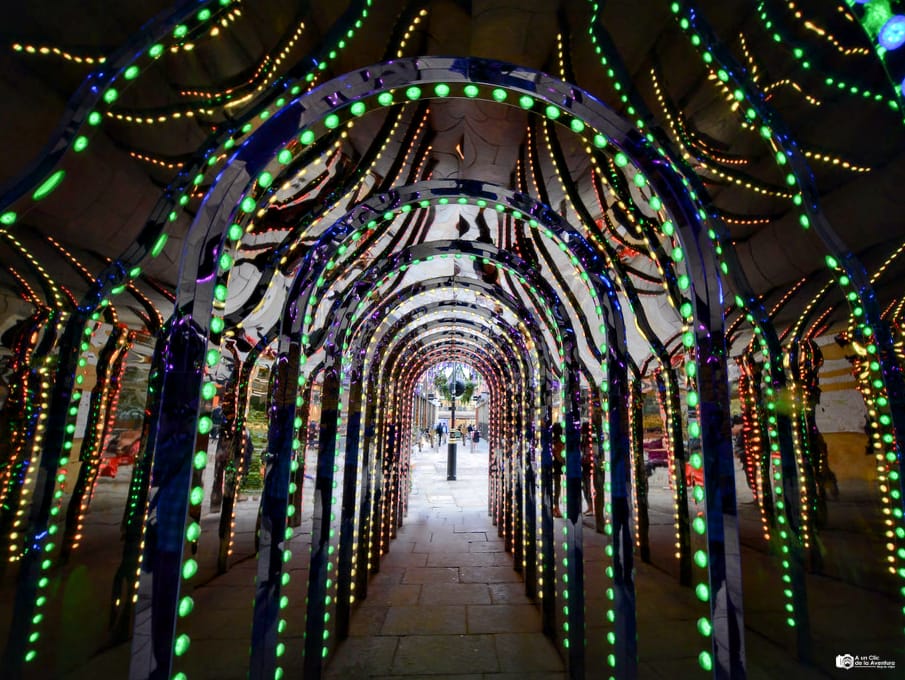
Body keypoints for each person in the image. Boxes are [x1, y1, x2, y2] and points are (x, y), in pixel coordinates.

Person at [552, 422, 565, 517]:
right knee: (557, 488)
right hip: (557, 467)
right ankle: (556, 508)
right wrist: (564, 462)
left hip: (552, 466)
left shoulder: (552, 440)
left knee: (554, 488)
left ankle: (555, 507)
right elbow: (559, 456)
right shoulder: (560, 441)